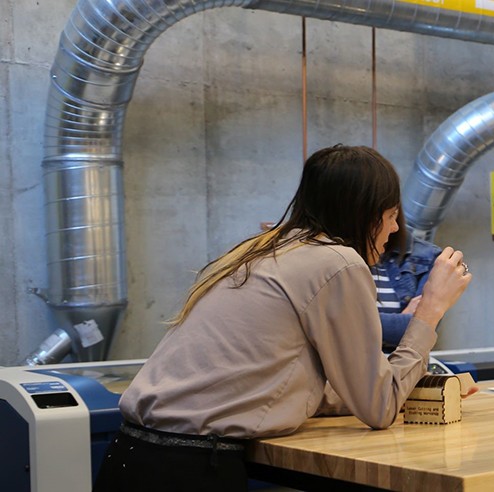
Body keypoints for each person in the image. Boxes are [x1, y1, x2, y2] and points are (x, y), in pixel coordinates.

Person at [94, 145, 472, 491]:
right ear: (363, 213)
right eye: (390, 215)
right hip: (191, 467)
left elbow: (295, 384)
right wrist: (431, 309)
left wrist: (405, 387)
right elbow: (378, 408)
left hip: (132, 455)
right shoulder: (337, 263)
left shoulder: (265, 250)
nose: (394, 229)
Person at [372, 218, 444, 349]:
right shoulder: (338, 258)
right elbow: (339, 326)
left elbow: (422, 330)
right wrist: (403, 318)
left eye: (393, 214)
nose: (395, 227)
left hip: (406, 366)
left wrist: (361, 324)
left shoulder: (426, 255)